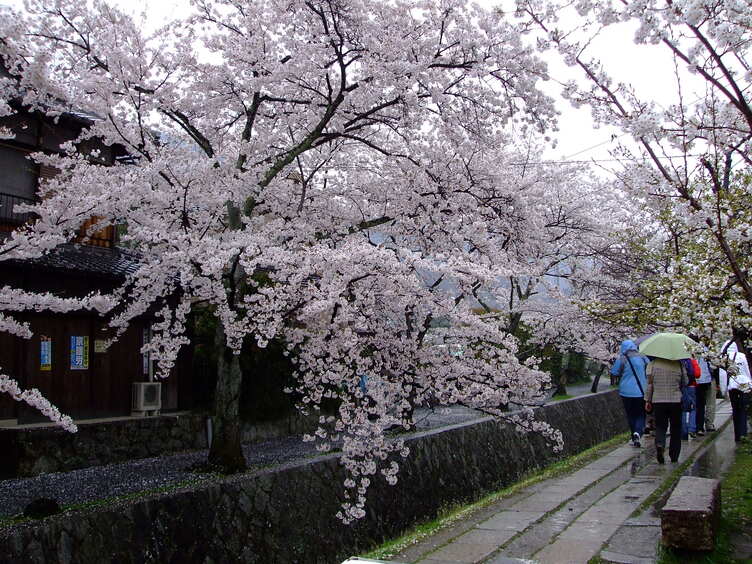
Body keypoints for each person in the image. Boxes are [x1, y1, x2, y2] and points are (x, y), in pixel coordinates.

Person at [645, 357, 686, 464]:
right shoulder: (678, 364)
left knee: (660, 426)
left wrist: (648, 400)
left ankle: (660, 445)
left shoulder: (653, 364)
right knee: (676, 428)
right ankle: (674, 455)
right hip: (675, 400)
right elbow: (685, 381)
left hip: (658, 400)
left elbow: (650, 385)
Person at [610, 340, 649, 447]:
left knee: (630, 414)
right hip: (641, 391)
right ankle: (638, 432)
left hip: (626, 392)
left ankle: (633, 436)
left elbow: (614, 372)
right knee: (641, 413)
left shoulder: (622, 358)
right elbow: (649, 369)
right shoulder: (642, 357)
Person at [719, 341, 752, 443]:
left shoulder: (724, 358)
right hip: (743, 385)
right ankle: (743, 433)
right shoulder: (741, 356)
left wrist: (723, 390)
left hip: (732, 386)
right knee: (743, 409)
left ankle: (737, 435)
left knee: (735, 410)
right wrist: (750, 383)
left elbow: (723, 375)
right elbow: (746, 370)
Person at [695, 357, 713, 435]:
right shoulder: (706, 349)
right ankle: (699, 427)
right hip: (704, 379)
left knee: (699, 404)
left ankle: (698, 427)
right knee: (701, 404)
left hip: (699, 379)